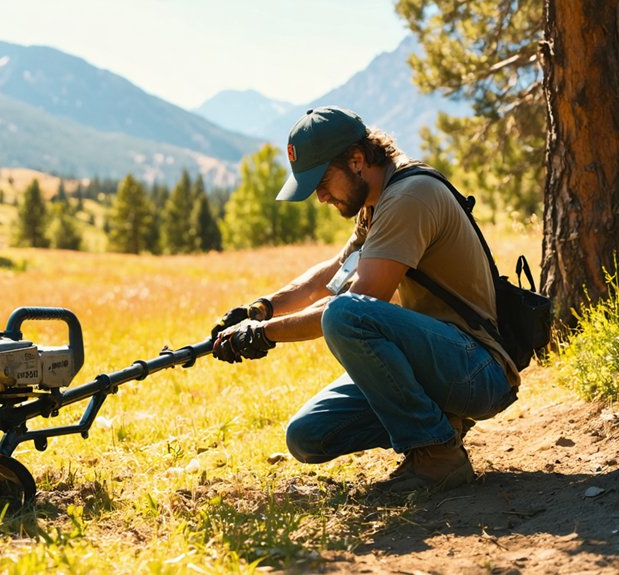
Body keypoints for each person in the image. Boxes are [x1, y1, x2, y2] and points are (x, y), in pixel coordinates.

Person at [211, 106, 520, 493]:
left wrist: (264, 333)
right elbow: (334, 273)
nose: (320, 197)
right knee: (308, 436)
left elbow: (355, 303)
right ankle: (442, 424)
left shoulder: (409, 197)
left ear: (356, 160)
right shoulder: (377, 202)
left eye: (322, 181)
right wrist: (260, 309)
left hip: (478, 369)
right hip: (441, 362)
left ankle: (438, 456)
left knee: (346, 316)